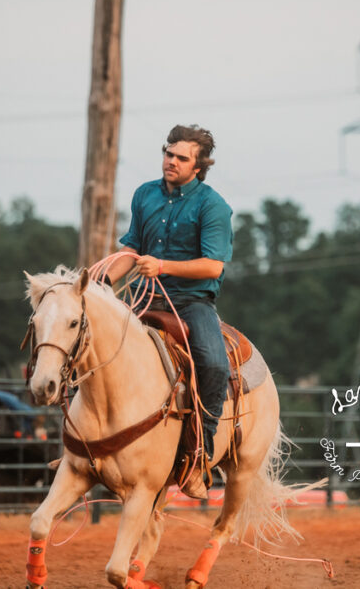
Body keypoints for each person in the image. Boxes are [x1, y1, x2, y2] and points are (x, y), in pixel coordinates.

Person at [105, 124, 233, 499]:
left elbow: (213, 267)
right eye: (168, 153)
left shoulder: (213, 205)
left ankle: (200, 457)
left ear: (199, 166)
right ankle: (84, 443)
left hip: (191, 303)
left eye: (180, 157)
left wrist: (163, 266)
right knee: (92, 341)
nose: (170, 162)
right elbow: (130, 249)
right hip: (145, 297)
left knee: (213, 364)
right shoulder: (145, 195)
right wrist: (101, 282)